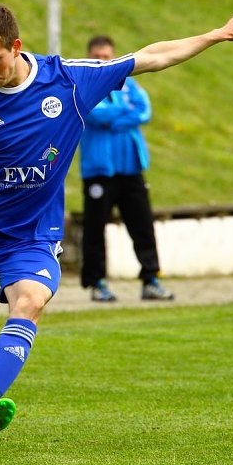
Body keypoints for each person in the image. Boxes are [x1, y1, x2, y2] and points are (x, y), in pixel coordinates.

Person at [0, 3, 233, 442]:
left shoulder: (69, 79)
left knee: (31, 301)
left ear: (16, 47)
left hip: (31, 237)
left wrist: (214, 34)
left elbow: (151, 57)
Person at [79, 35, 174, 303]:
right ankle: (97, 283)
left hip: (130, 167)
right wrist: (123, 113)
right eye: (97, 57)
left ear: (114, 56)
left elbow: (145, 111)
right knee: (95, 228)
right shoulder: (84, 86)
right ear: (89, 57)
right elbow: (96, 115)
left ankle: (151, 279)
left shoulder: (129, 83)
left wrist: (115, 115)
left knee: (143, 224)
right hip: (99, 170)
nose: (102, 62)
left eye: (107, 57)